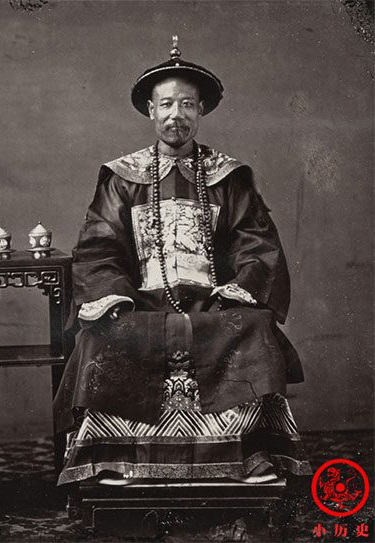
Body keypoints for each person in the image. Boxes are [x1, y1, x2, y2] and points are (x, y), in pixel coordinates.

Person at [53, 38, 311, 486]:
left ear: (201, 111)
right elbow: (99, 247)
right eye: (167, 104)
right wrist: (116, 296)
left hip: (213, 305)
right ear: (150, 112)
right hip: (141, 304)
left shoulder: (228, 176)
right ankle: (120, 458)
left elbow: (257, 245)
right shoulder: (122, 177)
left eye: (187, 104)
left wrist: (237, 289)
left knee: (255, 330)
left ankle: (247, 457)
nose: (177, 115)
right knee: (102, 335)